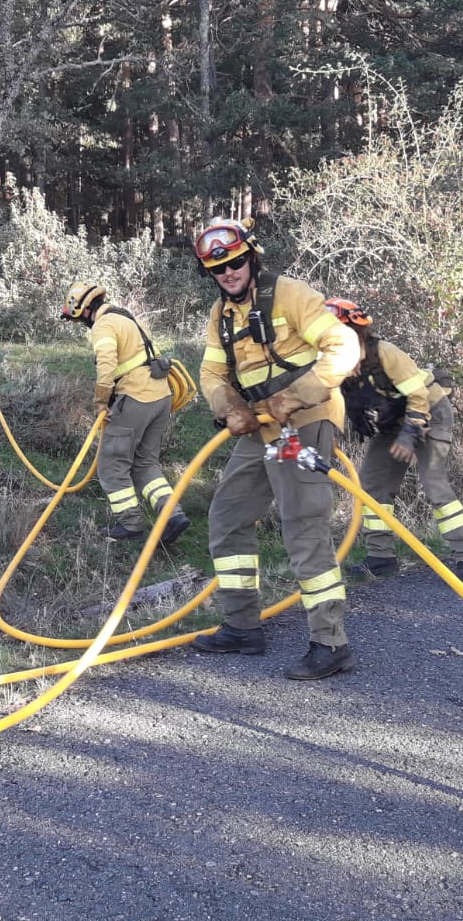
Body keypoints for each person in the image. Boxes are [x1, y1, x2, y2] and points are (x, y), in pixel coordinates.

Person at [190, 217, 361, 680]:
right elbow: (210, 373)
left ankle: (330, 643)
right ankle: (242, 626)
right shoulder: (220, 316)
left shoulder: (289, 294)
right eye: (218, 269)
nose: (228, 274)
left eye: (235, 263)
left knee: (303, 524)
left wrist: (294, 397)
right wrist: (229, 407)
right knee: (227, 517)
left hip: (302, 422)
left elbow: (343, 346)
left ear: (251, 257)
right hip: (259, 427)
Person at [326, 297, 463, 588]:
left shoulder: (385, 353)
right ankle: (381, 556)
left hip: (429, 413)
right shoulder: (334, 366)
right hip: (392, 423)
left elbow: (418, 396)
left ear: (356, 331)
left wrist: (410, 435)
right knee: (371, 486)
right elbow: (328, 400)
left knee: (433, 484)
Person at [59, 282, 191, 547]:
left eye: (77, 319)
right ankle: (171, 515)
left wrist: (100, 401)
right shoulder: (126, 317)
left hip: (134, 398)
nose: (80, 324)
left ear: (83, 310)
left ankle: (130, 523)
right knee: (145, 463)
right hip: (160, 397)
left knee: (111, 465)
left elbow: (106, 364)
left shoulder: (103, 325)